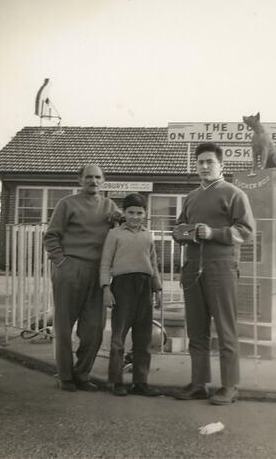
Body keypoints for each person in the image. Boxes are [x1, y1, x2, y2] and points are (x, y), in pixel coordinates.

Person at [173, 142, 254, 405]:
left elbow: (246, 231)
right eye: (200, 162)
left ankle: (230, 386)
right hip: (192, 269)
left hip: (221, 269)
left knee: (225, 329)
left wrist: (213, 233)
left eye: (210, 162)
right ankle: (199, 383)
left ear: (222, 165)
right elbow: (178, 231)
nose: (205, 166)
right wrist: (190, 232)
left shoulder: (234, 194)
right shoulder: (191, 197)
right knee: (196, 330)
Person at [43, 164, 120, 392]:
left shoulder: (110, 206)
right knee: (64, 325)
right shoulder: (67, 204)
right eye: (88, 177)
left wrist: (120, 220)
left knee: (94, 329)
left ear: (103, 181)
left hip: (98, 272)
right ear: (80, 180)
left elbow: (119, 235)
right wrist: (63, 264)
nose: (93, 181)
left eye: (98, 177)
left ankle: (82, 373)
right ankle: (65, 376)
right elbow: (51, 236)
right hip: (70, 268)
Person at [100, 192, 162, 397]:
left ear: (145, 213)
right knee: (119, 336)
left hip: (144, 287)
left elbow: (153, 264)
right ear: (124, 213)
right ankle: (116, 381)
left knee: (143, 337)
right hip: (122, 287)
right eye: (131, 212)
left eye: (139, 212)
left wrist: (158, 289)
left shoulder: (147, 235)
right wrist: (106, 288)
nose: (135, 216)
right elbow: (105, 263)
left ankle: (140, 381)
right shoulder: (115, 234)